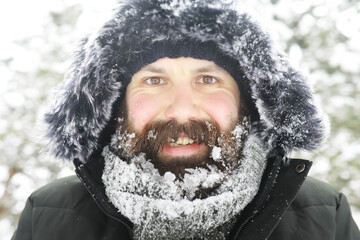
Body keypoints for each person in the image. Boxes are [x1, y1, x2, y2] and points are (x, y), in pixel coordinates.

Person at [12, 0, 360, 239]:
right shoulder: (48, 215)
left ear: (249, 103)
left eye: (208, 80)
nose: (182, 109)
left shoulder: (324, 216)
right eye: (154, 80)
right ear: (115, 104)